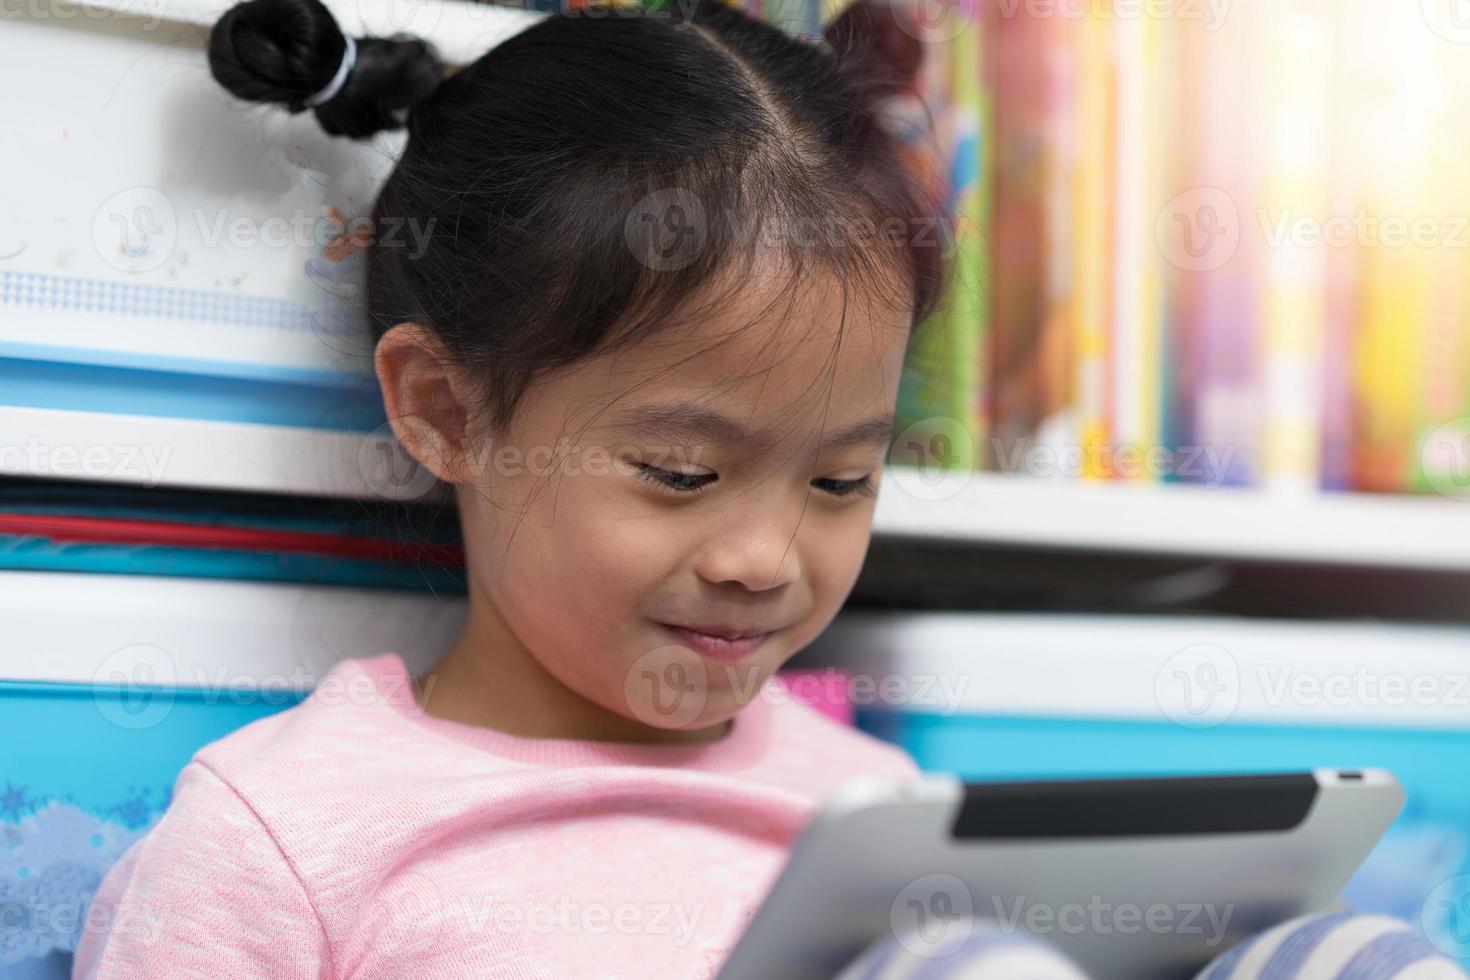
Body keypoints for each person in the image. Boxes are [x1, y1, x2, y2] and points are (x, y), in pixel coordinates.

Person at [69, 0, 1470, 976]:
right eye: (679, 473)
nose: (763, 557)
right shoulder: (286, 841)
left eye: (843, 480)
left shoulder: (878, 815)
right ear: (444, 408)